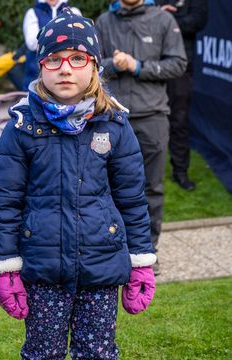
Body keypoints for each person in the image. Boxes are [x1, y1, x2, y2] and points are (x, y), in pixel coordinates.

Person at [0, 9, 157, 359]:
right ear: (41, 65)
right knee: (42, 352)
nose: (65, 68)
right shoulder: (20, 128)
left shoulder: (115, 125)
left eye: (78, 58)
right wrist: (3, 263)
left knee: (97, 352)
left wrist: (141, 261)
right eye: (54, 59)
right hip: (43, 271)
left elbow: (133, 200)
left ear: (94, 66)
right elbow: (3, 202)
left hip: (101, 267)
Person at [96, 0, 187, 275]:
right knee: (104, 188)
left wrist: (137, 66)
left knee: (151, 187)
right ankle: (111, 249)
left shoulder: (163, 20)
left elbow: (178, 64)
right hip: (111, 117)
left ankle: (147, 252)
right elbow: (92, 66)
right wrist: (115, 63)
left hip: (152, 117)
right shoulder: (103, 22)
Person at [156, 0, 208, 191]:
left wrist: (168, 19)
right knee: (149, 119)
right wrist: (160, 14)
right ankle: (145, 172)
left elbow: (198, 20)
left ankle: (180, 172)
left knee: (178, 120)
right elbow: (143, 16)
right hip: (152, 64)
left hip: (181, 66)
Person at [22, 0, 81, 90]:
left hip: (68, 69)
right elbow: (32, 43)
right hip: (36, 74)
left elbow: (79, 40)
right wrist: (64, 36)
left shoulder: (74, 11)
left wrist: (48, 35)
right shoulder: (32, 13)